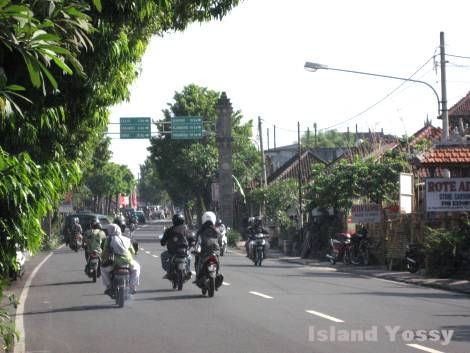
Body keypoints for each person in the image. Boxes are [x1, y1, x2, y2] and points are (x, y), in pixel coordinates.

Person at [101, 224, 141, 296]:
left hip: (113, 263)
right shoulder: (127, 239)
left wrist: (103, 257)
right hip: (128, 262)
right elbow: (132, 251)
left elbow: (104, 251)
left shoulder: (108, 239)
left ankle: (108, 286)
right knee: (137, 268)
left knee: (103, 269)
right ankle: (133, 286)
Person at [160, 213, 195, 280]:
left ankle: (168, 271)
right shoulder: (186, 229)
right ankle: (188, 270)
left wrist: (163, 242)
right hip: (184, 251)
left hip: (173, 252)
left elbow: (163, 242)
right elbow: (192, 238)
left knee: (163, 255)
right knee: (189, 257)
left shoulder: (169, 230)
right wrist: (192, 243)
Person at [194, 211, 222, 279]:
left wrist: (196, 249)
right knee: (217, 260)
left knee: (197, 259)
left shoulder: (201, 231)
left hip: (204, 252)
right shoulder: (217, 231)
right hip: (215, 251)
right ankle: (217, 273)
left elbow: (197, 242)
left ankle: (198, 275)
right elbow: (220, 242)